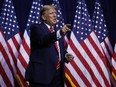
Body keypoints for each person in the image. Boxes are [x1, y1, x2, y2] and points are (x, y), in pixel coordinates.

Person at [25, 5, 74, 87]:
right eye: (51, 13)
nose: (55, 15)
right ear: (44, 17)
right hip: (42, 75)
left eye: (55, 13)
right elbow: (43, 40)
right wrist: (60, 32)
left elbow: (58, 48)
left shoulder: (55, 31)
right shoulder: (36, 28)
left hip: (58, 75)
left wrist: (65, 55)